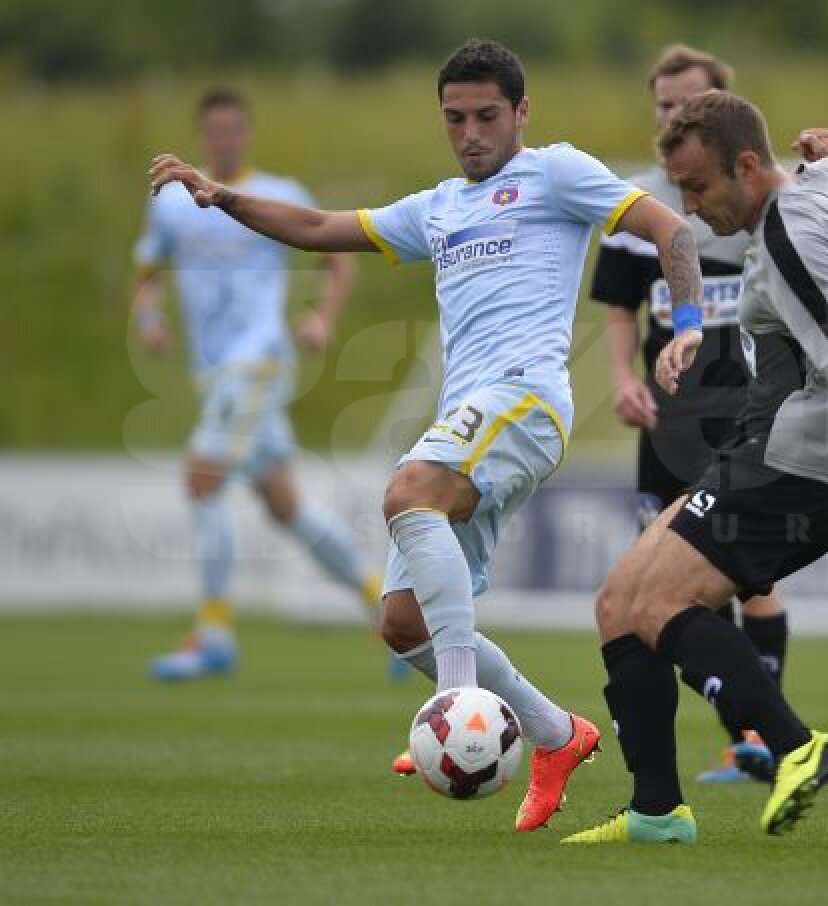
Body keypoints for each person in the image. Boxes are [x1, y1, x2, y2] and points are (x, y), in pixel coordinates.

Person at [148, 40, 706, 833]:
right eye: (455, 118)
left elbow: (671, 230)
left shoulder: (554, 172)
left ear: (521, 112)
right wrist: (222, 197)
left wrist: (687, 326)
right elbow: (314, 227)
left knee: (409, 490)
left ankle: (456, 705)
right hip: (470, 417)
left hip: (527, 400)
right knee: (403, 621)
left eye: (486, 115)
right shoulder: (439, 205)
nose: (470, 132)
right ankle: (555, 733)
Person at [562, 90, 828, 845]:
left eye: (700, 188)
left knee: (656, 607)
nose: (691, 209)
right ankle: (655, 813)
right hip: (771, 450)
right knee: (618, 603)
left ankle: (796, 747)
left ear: (746, 164)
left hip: (798, 460)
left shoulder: (789, 237)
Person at [133, 88, 382, 682]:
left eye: (234, 129)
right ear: (203, 134)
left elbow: (337, 259)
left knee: (203, 477)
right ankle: (389, 613)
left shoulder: (281, 194)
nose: (225, 139)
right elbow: (147, 275)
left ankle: (214, 631)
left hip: (258, 360)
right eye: (215, 130)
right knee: (286, 506)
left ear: (246, 133)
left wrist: (322, 315)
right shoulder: (170, 205)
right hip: (214, 370)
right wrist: (149, 320)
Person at [591, 44, 786, 785]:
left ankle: (757, 740)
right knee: (664, 580)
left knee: (752, 578)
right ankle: (750, 733)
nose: (674, 114)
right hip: (668, 420)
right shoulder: (635, 206)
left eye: (688, 102)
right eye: (664, 104)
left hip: (744, 412)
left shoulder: (747, 198)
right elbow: (617, 307)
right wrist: (621, 379)